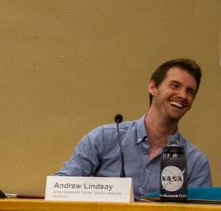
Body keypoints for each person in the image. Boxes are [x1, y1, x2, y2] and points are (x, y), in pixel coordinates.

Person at [56, 58, 212, 198]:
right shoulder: (103, 138)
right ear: (152, 87)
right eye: (175, 86)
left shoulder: (196, 162)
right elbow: (59, 189)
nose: (183, 95)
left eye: (190, 92)